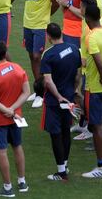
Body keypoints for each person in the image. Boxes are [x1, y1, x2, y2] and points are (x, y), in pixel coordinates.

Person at [0, 41, 30, 197]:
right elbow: (26, 92)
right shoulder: (18, 68)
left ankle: (8, 187)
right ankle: (22, 182)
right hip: (16, 117)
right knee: (17, 147)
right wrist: (14, 110)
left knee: (2, 152)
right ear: (5, 53)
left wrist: (8, 111)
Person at [40, 23, 81, 181]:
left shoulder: (48, 55)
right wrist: (75, 90)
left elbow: (48, 82)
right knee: (65, 131)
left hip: (54, 101)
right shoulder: (74, 49)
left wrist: (58, 96)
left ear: (48, 36)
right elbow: (78, 74)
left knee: (55, 134)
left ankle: (61, 172)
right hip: (69, 98)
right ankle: (65, 164)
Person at [21, 0, 59, 108]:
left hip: (41, 26)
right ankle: (38, 89)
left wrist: (46, 16)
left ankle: (41, 92)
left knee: (38, 56)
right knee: (31, 56)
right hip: (27, 24)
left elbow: (55, 2)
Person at [81, 5, 102, 178]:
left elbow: (99, 63)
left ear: (88, 19)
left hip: (95, 87)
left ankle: (101, 167)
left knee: (97, 127)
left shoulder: (91, 37)